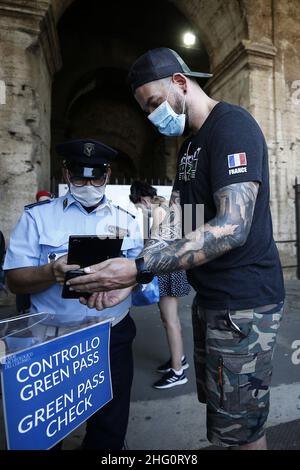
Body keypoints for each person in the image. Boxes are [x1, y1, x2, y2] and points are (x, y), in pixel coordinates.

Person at [67, 48, 285, 451]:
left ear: (180, 83)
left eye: (154, 103)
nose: (153, 116)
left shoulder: (232, 126)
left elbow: (232, 228)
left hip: (245, 304)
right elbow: (179, 219)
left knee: (243, 431)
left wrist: (137, 266)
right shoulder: (190, 146)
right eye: (146, 110)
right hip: (212, 301)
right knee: (224, 418)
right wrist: (136, 279)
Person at [3, 139, 143, 450]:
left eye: (96, 177)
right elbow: (14, 280)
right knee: (46, 433)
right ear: (66, 174)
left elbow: (138, 273)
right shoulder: (37, 218)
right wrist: (49, 272)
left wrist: (124, 285)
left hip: (111, 336)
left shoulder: (127, 219)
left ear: (107, 175)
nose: (89, 184)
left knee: (109, 428)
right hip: (53, 342)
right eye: (80, 177)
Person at [129, 181, 190, 389]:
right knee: (168, 319)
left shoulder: (157, 211)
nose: (140, 210)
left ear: (144, 199)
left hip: (166, 270)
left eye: (139, 206)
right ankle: (178, 359)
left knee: (170, 320)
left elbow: (153, 245)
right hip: (174, 266)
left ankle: (178, 372)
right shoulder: (167, 205)